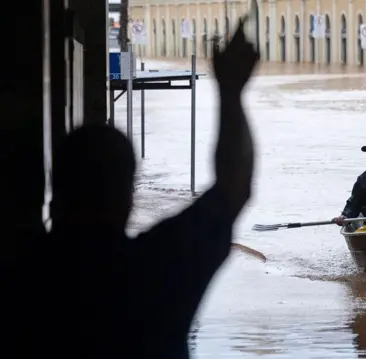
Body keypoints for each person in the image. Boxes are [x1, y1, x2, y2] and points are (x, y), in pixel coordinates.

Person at [23, 19, 259, 358]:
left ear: (55, 191)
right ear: (127, 196)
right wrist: (232, 90)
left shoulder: (20, 271)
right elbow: (234, 186)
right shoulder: (157, 267)